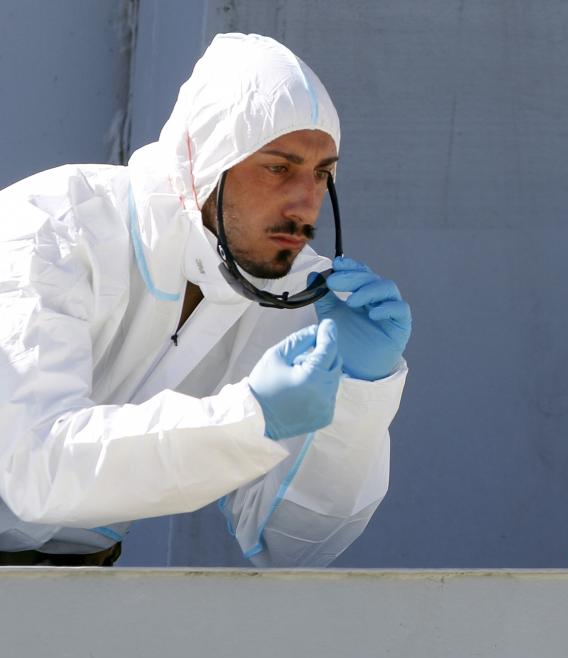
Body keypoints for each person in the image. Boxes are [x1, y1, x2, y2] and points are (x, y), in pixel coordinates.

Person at [0, 33, 411, 567]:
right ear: (205, 161)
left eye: (322, 173)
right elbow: (36, 465)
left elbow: (290, 546)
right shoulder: (54, 227)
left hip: (73, 588)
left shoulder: (284, 286)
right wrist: (251, 418)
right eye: (278, 167)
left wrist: (359, 395)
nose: (306, 203)